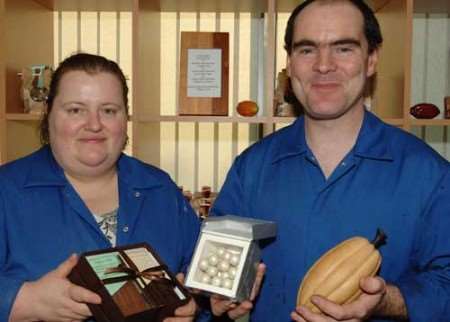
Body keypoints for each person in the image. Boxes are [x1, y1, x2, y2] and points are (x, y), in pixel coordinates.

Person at [211, 0, 450, 321]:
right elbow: (216, 273)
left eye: (343, 49)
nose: (323, 65)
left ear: (371, 60)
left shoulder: (429, 174)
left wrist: (386, 301)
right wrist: (217, 296)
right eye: (307, 50)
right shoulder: (250, 169)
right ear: (291, 63)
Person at [0, 53, 201, 322]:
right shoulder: (7, 191)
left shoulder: (161, 190)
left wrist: (192, 309)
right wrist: (24, 301)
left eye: (108, 110)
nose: (94, 125)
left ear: (125, 118)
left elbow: (198, 289)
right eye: (75, 110)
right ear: (48, 115)